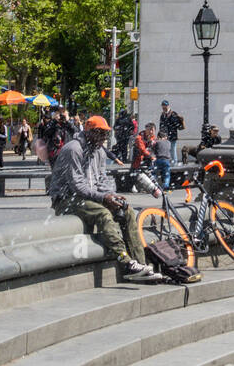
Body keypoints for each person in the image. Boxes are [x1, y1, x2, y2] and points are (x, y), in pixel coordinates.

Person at [49, 115, 163, 281]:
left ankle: (141, 265)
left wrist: (112, 195)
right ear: (88, 133)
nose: (104, 138)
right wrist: (104, 197)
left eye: (106, 134)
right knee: (103, 214)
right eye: (100, 133)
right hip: (66, 199)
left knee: (128, 212)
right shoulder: (73, 149)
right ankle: (126, 262)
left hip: (88, 197)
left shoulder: (100, 151)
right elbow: (77, 185)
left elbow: (102, 180)